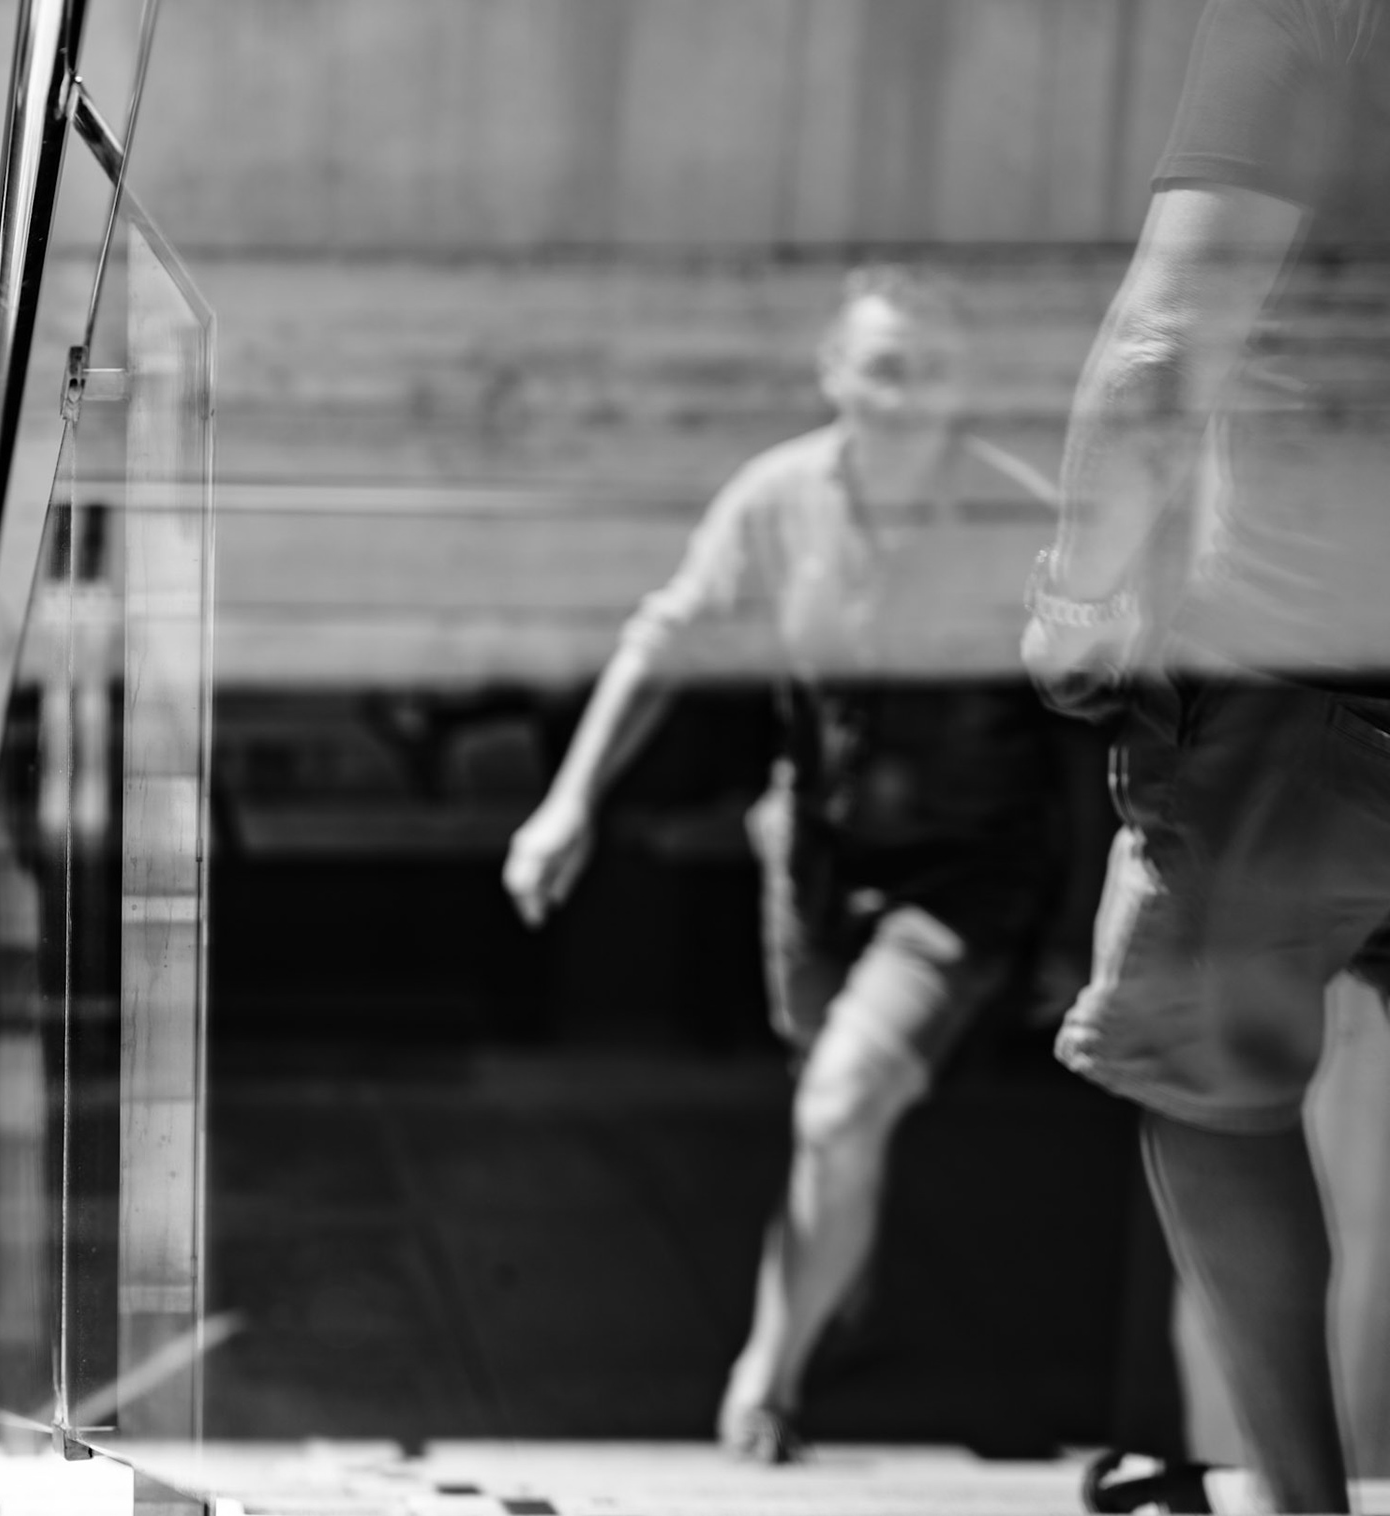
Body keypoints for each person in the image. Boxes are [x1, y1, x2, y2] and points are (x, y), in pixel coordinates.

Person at [504, 265, 1102, 1463]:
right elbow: (665, 640)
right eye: (883, 366)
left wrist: (1083, 928)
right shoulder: (776, 497)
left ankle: (768, 1377)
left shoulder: (1020, 521)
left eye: (931, 370)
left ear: (965, 387)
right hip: (816, 864)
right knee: (832, 1108)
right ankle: (842, 1290)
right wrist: (568, 803)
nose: (905, 392)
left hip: (966, 879)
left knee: (838, 1102)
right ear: (834, 374)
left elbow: (1087, 742)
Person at [1022, 2, 1390, 1510]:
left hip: (1303, 681)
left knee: (1210, 1080)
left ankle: (1303, 1502)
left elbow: (1165, 346)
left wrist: (1075, 600)